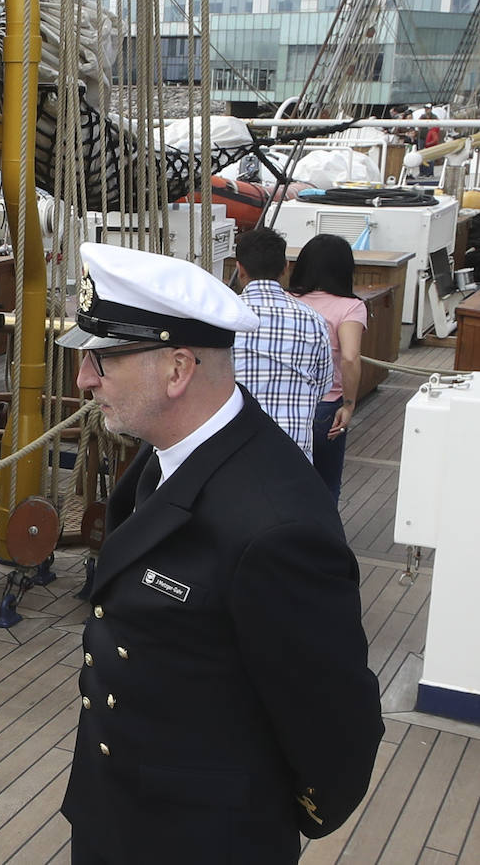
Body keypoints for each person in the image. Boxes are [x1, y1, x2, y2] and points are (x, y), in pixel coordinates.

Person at [57, 242, 382, 864]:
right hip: (115, 814)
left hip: (205, 839)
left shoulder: (274, 525)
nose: (83, 378)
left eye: (103, 358)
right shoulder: (163, 459)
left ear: (179, 369)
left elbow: (335, 726)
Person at [231, 226, 333, 459]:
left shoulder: (224, 316)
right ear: (285, 268)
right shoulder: (313, 319)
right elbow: (322, 387)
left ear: (240, 269)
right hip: (293, 449)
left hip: (233, 448)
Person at [288, 233, 366, 504]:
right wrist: (349, 404)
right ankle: (324, 543)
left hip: (284, 404)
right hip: (325, 406)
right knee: (326, 485)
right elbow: (350, 357)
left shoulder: (287, 300)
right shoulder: (350, 307)